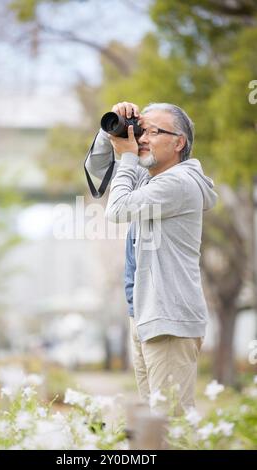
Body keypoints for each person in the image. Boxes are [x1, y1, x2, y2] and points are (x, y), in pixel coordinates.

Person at [85, 101, 218, 414]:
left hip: (168, 319)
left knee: (173, 424)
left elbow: (117, 209)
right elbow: (98, 171)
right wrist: (112, 130)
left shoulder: (178, 183)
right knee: (156, 427)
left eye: (153, 132)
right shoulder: (153, 178)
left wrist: (129, 155)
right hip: (146, 314)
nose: (142, 138)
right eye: (141, 130)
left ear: (178, 142)